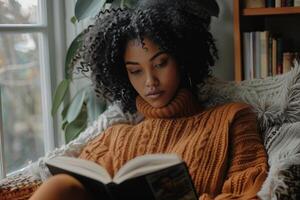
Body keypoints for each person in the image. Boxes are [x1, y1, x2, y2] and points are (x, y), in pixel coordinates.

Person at [29, 0, 268, 199]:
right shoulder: (115, 137)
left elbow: (248, 191)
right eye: (136, 71)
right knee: (59, 185)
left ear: (182, 59)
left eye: (160, 63)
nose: (150, 81)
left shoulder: (232, 118)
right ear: (123, 75)